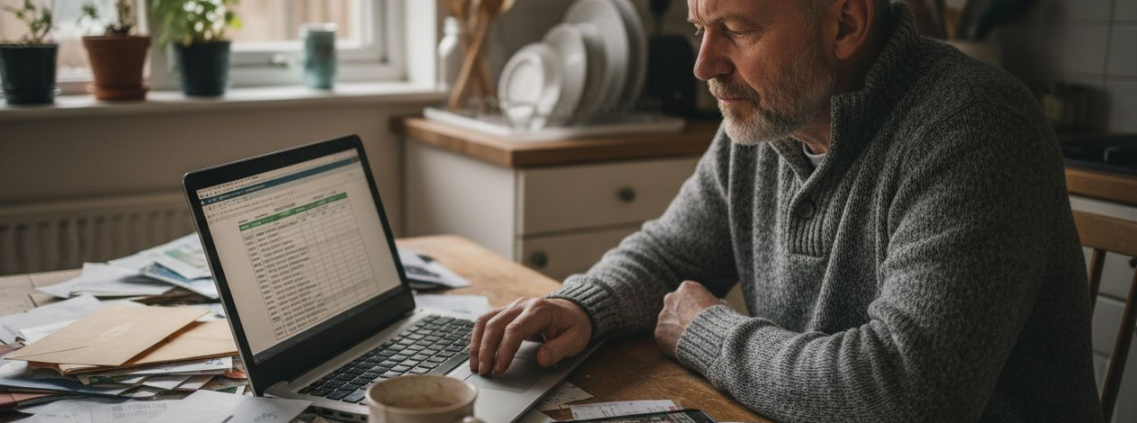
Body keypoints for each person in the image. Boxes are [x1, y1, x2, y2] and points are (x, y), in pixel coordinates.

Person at [467, 0, 1103, 421]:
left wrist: (708, 335)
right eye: (700, 28)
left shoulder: (976, 127)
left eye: (737, 30)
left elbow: (905, 392)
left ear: (845, 25)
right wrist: (584, 304)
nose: (704, 65)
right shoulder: (768, 118)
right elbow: (672, 252)